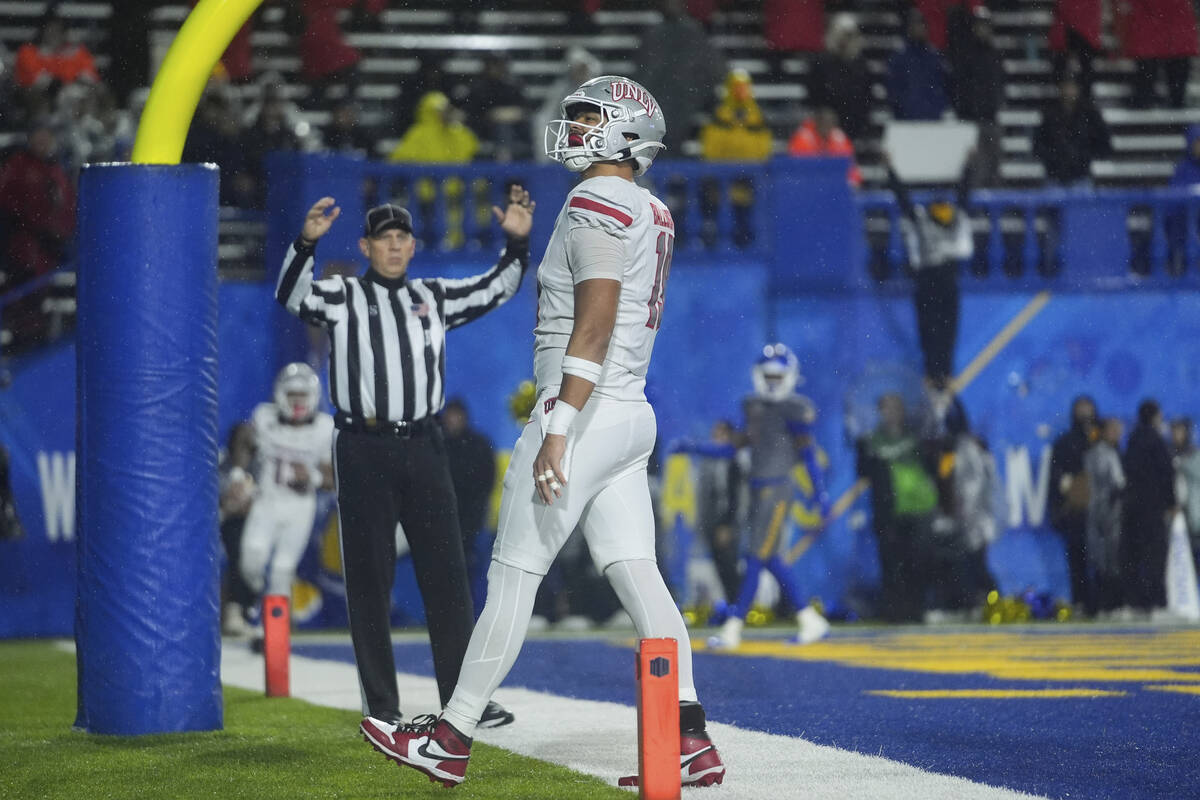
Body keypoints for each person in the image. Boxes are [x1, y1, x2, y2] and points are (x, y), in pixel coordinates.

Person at [368, 75, 725, 790]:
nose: (575, 126)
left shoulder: (596, 197)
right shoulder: (651, 208)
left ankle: (452, 734)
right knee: (638, 574)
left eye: (591, 116)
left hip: (585, 411)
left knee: (513, 577)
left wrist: (560, 423)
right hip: (629, 414)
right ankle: (690, 738)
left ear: (626, 130)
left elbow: (594, 317)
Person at [275, 187, 533, 737]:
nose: (394, 247)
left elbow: (495, 289)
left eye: (402, 239)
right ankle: (382, 706)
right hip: (363, 445)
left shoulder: (431, 297)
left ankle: (466, 703)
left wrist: (515, 244)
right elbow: (292, 296)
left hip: (423, 444)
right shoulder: (342, 296)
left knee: (447, 574)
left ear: (413, 246)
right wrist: (304, 243)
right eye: (383, 239)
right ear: (367, 247)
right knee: (369, 577)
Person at [710, 344, 831, 649]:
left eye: (779, 376)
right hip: (758, 489)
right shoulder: (752, 407)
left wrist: (820, 493)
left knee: (755, 557)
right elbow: (737, 446)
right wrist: (697, 448)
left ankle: (733, 628)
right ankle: (809, 619)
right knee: (771, 558)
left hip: (778, 489)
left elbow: (808, 455)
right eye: (769, 376)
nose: (774, 382)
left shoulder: (796, 409)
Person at [239, 363, 334, 643]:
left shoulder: (323, 428)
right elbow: (244, 444)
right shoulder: (264, 417)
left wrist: (314, 477)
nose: (297, 401)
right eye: (292, 394)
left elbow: (332, 477)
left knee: (282, 569)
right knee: (252, 561)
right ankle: (261, 599)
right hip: (266, 502)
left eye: (302, 395)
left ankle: (269, 633)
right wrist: (239, 473)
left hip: (299, 508)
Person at [883, 149, 974, 387]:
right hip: (928, 278)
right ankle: (933, 372)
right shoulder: (923, 219)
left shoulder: (955, 218)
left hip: (946, 278)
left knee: (947, 329)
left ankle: (944, 372)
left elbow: (964, 195)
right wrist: (891, 170)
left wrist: (968, 168)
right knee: (929, 329)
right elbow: (903, 200)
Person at [856, 393, 940, 623]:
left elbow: (932, 465)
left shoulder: (916, 435)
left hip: (919, 508)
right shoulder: (871, 440)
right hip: (888, 510)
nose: (892, 413)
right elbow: (863, 472)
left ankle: (917, 610)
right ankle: (894, 612)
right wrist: (863, 449)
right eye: (887, 408)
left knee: (918, 560)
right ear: (880, 412)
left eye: (896, 407)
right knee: (891, 562)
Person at [440, 397, 497, 612]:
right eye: (450, 415)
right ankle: (446, 611)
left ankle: (469, 610)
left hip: (470, 519)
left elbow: (485, 482)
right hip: (441, 518)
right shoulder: (437, 444)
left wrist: (473, 515)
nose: (452, 420)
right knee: (443, 567)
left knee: (469, 566)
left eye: (456, 415)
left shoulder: (478, 444)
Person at [1121, 400, 1176, 612]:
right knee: (1155, 556)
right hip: (1153, 509)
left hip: (1134, 509)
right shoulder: (1157, 440)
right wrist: (1170, 502)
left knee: (1135, 556)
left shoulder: (1133, 439)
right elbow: (1166, 474)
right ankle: (1158, 602)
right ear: (1155, 416)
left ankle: (1137, 602)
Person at [1048, 395, 1098, 613]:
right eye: (1081, 410)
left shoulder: (1099, 440)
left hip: (1099, 512)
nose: (1085, 415)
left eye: (1088, 410)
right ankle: (1081, 602)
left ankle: (1102, 603)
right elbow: (1056, 478)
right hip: (1076, 511)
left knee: (1101, 561)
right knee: (1078, 558)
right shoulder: (1065, 442)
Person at [1033, 74, 1111, 186]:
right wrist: (1053, 158)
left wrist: (1084, 156)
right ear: (1059, 89)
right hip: (1055, 175)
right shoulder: (1049, 114)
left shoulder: (1089, 114)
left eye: (1072, 87)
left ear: (1078, 89)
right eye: (1065, 87)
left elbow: (1103, 142)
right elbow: (1038, 143)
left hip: (1081, 175)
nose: (1068, 91)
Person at [219, 421, 258, 637]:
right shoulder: (222, 463)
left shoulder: (260, 465)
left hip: (254, 523)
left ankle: (248, 611)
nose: (245, 446)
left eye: (249, 442)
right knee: (237, 546)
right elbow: (222, 503)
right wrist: (230, 504)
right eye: (241, 441)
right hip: (227, 523)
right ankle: (233, 611)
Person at [1084, 417, 1126, 616]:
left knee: (1106, 563)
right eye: (1113, 429)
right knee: (1107, 563)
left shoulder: (1104, 452)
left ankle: (1106, 605)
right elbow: (1114, 484)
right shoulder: (1102, 453)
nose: (1117, 434)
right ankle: (1108, 606)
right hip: (1105, 515)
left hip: (1104, 515)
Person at [885, 9, 950, 121]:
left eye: (922, 25)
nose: (919, 29)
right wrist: (900, 108)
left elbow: (944, 85)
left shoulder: (935, 56)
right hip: (906, 120)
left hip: (932, 119)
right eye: (916, 25)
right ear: (909, 28)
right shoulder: (899, 57)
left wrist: (939, 107)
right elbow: (892, 88)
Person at [1170, 418, 1200, 571]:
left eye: (1180, 431)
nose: (1176, 435)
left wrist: (1182, 464)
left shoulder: (1195, 454)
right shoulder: (1168, 455)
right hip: (1177, 520)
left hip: (1195, 518)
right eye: (1174, 431)